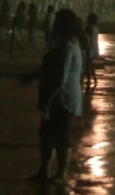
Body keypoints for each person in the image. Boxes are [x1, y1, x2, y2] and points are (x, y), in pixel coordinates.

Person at [34, 10, 83, 183]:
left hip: (62, 98)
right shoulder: (65, 44)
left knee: (61, 136)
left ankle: (62, 174)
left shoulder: (68, 47)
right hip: (59, 97)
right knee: (47, 135)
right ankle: (44, 171)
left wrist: (48, 101)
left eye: (57, 21)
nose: (53, 24)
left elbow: (59, 78)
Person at [83, 13, 100, 90]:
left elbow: (87, 39)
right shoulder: (96, 28)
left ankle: (89, 80)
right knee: (91, 64)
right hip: (95, 48)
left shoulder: (88, 28)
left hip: (89, 49)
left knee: (88, 65)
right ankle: (94, 79)